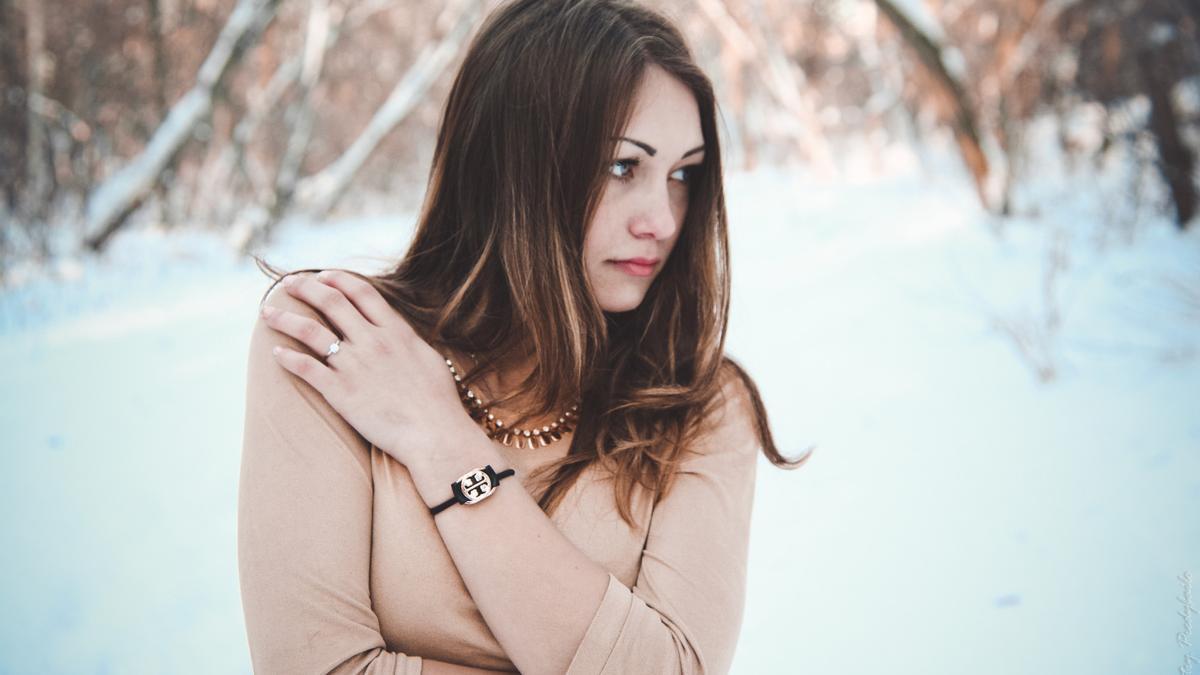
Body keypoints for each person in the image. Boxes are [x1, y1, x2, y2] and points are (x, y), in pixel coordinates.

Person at [237, 0, 811, 673]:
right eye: (625, 167)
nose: (662, 218)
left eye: (683, 175)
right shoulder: (336, 341)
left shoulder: (702, 405)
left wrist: (443, 444)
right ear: (516, 166)